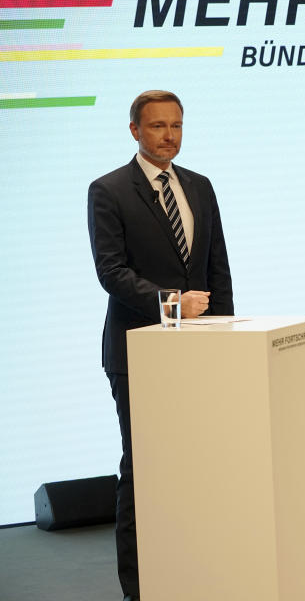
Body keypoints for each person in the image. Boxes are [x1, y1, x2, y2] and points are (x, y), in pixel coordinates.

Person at [87, 91, 234, 601]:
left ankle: (196, 568)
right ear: (134, 131)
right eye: (156, 127)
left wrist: (225, 334)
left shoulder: (200, 186)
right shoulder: (108, 191)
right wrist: (171, 302)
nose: (168, 136)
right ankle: (140, 586)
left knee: (199, 463)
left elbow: (217, 267)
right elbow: (112, 272)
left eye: (175, 126)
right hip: (137, 353)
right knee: (144, 465)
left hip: (199, 352)